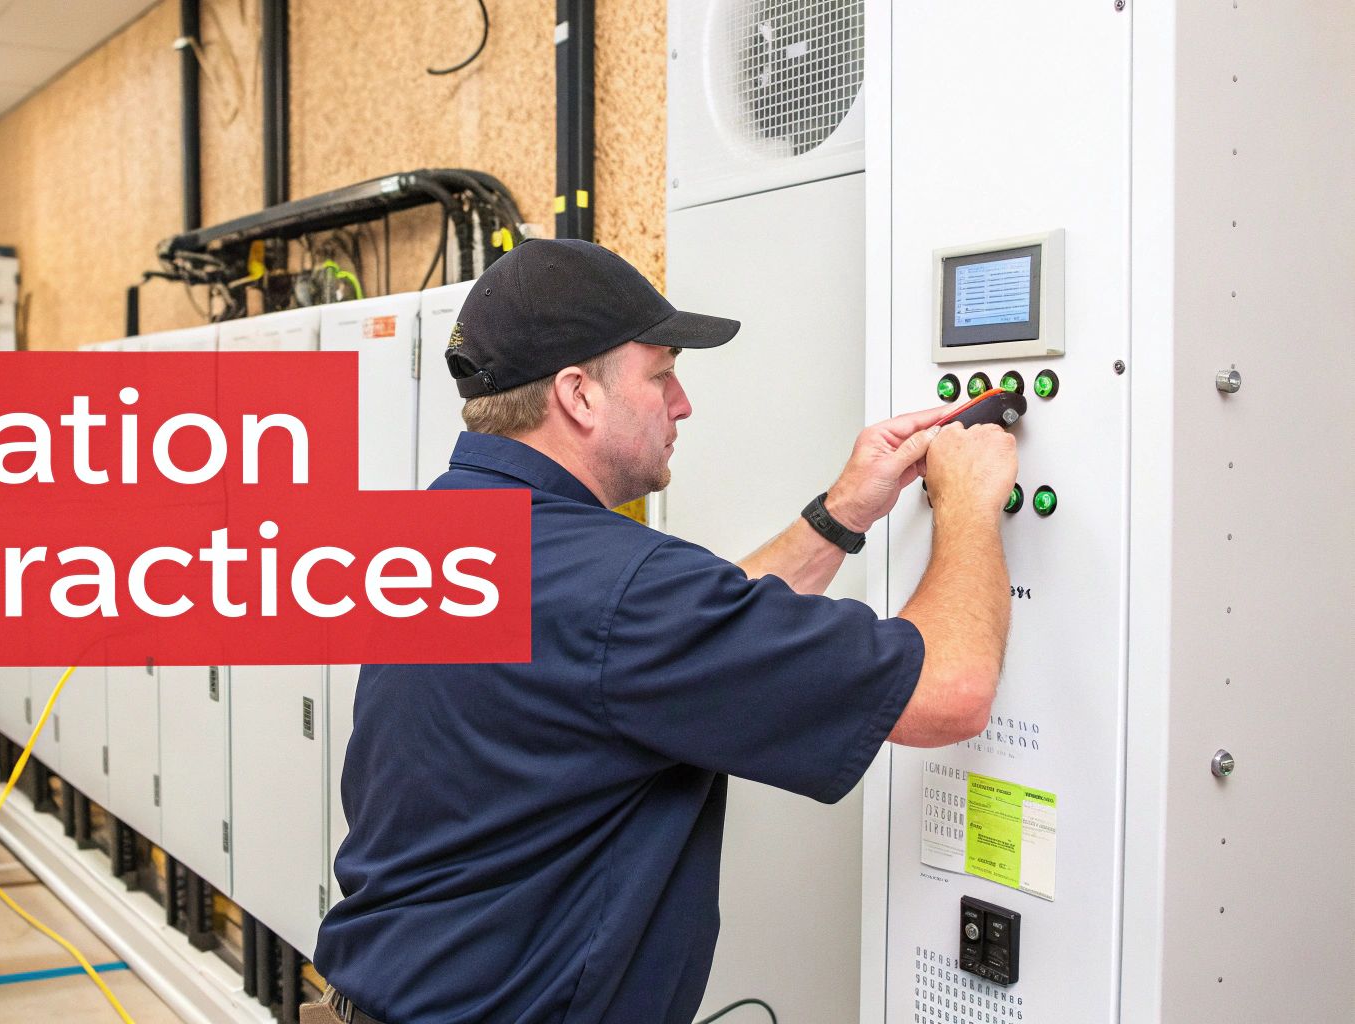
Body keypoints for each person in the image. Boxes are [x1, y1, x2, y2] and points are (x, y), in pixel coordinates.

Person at [304, 239, 1016, 1024]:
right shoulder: (621, 590)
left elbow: (676, 644)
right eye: (662, 374)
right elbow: (952, 689)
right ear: (578, 395)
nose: (682, 404)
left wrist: (841, 514)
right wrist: (970, 504)